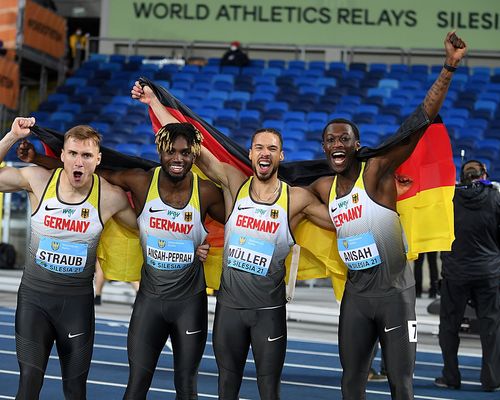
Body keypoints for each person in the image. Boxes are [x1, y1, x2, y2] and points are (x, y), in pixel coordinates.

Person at [132, 81, 334, 399]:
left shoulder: (297, 199)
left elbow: (344, 222)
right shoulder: (233, 183)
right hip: (229, 311)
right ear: (251, 153)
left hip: (268, 312)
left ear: (281, 155)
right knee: (227, 389)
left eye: (271, 148)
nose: (264, 153)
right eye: (259, 148)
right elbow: (191, 146)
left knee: (269, 390)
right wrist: (154, 104)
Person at [307, 31, 467, 399]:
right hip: (356, 298)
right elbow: (272, 192)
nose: (337, 144)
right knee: (351, 382)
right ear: (324, 147)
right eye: (331, 139)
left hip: (396, 296)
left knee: (401, 383)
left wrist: (449, 67)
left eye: (344, 138)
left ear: (356, 145)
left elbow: (420, 120)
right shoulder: (319, 189)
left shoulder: (376, 172)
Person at [18, 121, 225, 399]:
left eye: (186, 153)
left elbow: (240, 222)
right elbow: (90, 171)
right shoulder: (140, 181)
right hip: (148, 301)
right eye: (171, 152)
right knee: (135, 385)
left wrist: (201, 244)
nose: (178, 158)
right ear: (160, 152)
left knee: (187, 386)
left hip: (190, 302)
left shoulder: (207, 191)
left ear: (195, 155)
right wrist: (37, 159)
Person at [2, 118, 137, 399]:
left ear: (97, 159)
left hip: (76, 306)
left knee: (75, 390)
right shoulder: (38, 179)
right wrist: (12, 136)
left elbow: (145, 230)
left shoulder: (110, 197)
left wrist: (195, 245)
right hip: (34, 301)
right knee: (28, 384)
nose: (79, 162)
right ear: (62, 155)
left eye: (86, 155)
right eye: (73, 154)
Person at [435, 159, 500, 392]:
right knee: (491, 327)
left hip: (455, 273)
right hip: (488, 273)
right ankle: (491, 379)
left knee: (449, 327)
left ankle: (451, 377)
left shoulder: (449, 198)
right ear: (484, 174)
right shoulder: (496, 197)